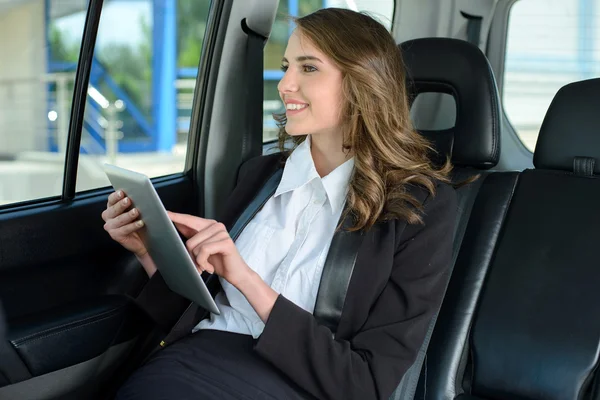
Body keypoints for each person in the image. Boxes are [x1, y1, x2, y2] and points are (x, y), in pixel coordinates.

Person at [102, 8, 457, 400]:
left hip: (296, 385)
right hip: (190, 363)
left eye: (308, 69)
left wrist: (245, 278)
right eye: (287, 66)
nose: (285, 83)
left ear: (362, 82)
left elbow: (365, 385)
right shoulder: (260, 175)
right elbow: (195, 312)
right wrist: (149, 252)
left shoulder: (419, 209)